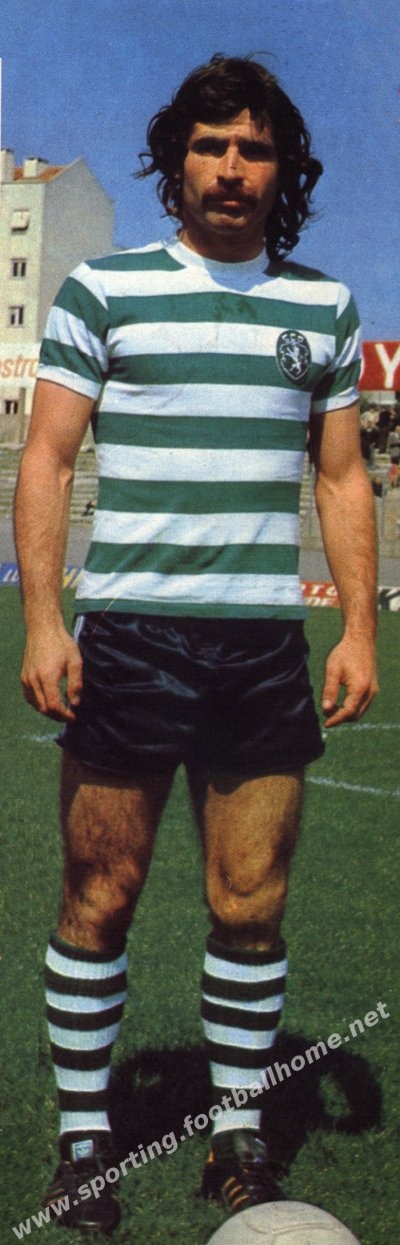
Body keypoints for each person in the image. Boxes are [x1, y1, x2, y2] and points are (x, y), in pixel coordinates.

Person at [14, 54, 378, 1233]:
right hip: (128, 642)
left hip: (259, 650)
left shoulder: (322, 309)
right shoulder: (103, 291)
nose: (231, 167)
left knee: (249, 904)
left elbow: (342, 476)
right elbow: (48, 457)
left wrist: (356, 629)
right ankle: (85, 1145)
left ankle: (236, 1137)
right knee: (100, 893)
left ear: (284, 171)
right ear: (176, 162)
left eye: (254, 148)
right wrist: (44, 619)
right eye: (211, 144)